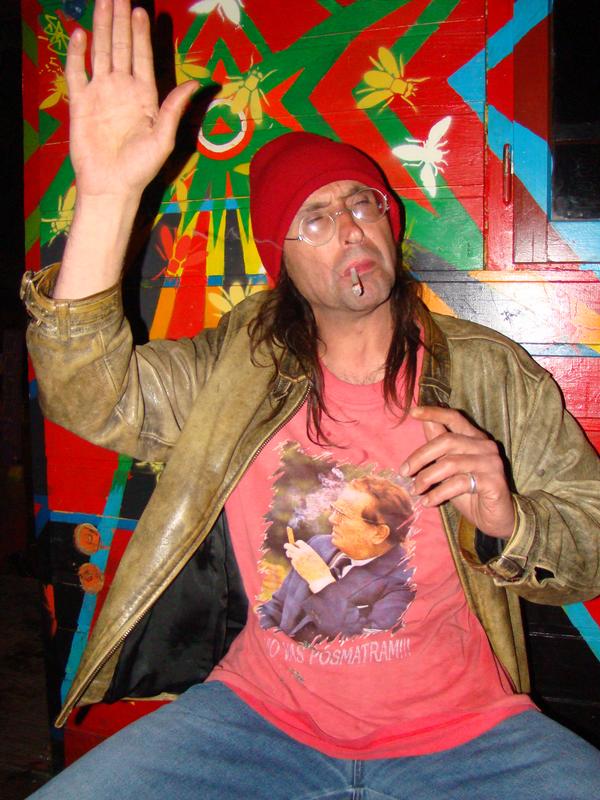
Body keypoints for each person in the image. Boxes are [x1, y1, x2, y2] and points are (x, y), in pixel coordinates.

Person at [22, 1, 600, 797]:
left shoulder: (488, 374)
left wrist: (509, 521)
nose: (351, 227)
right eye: (317, 218)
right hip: (257, 722)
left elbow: (589, 538)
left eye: (363, 204)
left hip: (469, 735)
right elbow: (88, 394)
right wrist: (108, 198)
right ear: (281, 262)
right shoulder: (237, 367)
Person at [259, 476, 416, 641]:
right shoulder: (318, 546)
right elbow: (273, 610)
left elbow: (364, 644)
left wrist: (321, 581)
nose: (332, 519)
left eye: (343, 514)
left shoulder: (404, 583)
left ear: (378, 533)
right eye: (335, 509)